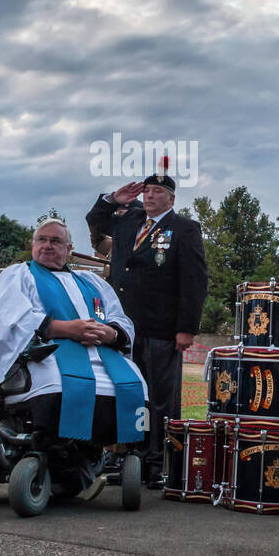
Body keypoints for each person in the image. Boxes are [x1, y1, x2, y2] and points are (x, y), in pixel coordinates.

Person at [0, 219, 147, 461]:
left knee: (137, 383)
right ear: (33, 244)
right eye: (41, 239)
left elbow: (119, 317)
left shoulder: (92, 282)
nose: (47, 245)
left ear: (69, 249)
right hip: (48, 353)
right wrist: (65, 328)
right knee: (58, 383)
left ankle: (119, 452)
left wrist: (111, 333)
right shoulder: (19, 276)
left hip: (101, 354)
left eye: (55, 241)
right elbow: (10, 316)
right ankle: (51, 447)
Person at [86, 171, 207, 487]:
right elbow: (95, 221)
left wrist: (187, 329)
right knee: (123, 391)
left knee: (159, 398)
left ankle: (157, 462)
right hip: (123, 326)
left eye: (157, 191)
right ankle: (123, 457)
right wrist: (113, 200)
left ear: (171, 199)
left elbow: (194, 282)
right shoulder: (128, 220)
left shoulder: (184, 229)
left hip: (161, 328)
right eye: (147, 190)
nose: (150, 196)